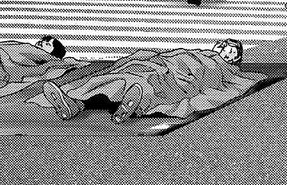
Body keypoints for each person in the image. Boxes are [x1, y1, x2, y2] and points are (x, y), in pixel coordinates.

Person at [41, 39, 247, 124]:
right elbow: (178, 56)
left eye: (232, 54)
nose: (226, 54)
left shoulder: (221, 67)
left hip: (181, 73)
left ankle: (135, 101)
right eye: (225, 49)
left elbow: (212, 78)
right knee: (127, 72)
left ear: (236, 59)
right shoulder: (200, 53)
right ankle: (75, 102)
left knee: (153, 80)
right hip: (166, 62)